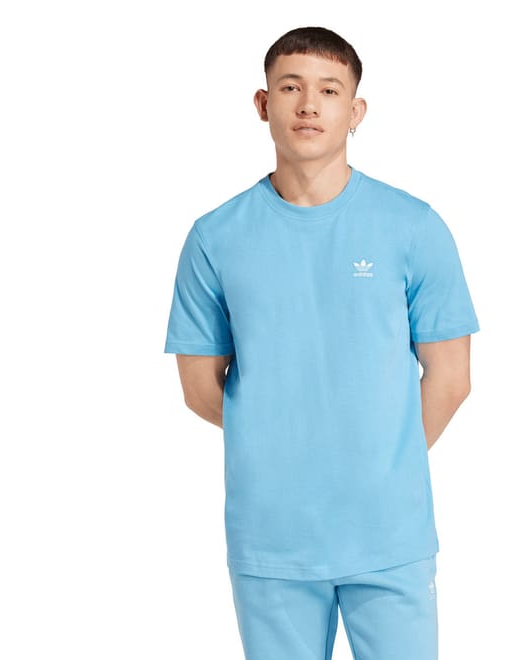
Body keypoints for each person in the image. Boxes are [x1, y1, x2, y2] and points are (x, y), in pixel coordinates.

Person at [164, 26, 480, 660]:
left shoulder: (413, 227)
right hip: (271, 537)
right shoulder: (215, 237)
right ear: (263, 104)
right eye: (291, 87)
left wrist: (375, 463)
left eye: (329, 90)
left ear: (355, 111)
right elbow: (200, 387)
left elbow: (451, 379)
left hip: (389, 534)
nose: (309, 104)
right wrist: (287, 450)